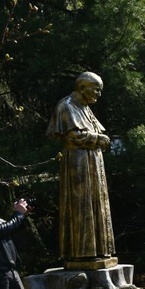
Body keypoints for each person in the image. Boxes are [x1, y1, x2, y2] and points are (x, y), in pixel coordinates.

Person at [46, 72, 116, 269]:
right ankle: (82, 253)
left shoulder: (85, 107)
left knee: (97, 204)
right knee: (82, 203)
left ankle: (99, 251)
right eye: (96, 89)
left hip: (93, 162)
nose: (98, 94)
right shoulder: (66, 106)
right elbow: (74, 135)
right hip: (78, 163)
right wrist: (98, 140)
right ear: (82, 87)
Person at [0, 199, 30, 289]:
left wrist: (22, 215)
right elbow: (2, 230)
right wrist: (18, 214)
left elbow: (9, 230)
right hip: (1, 273)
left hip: (11, 271)